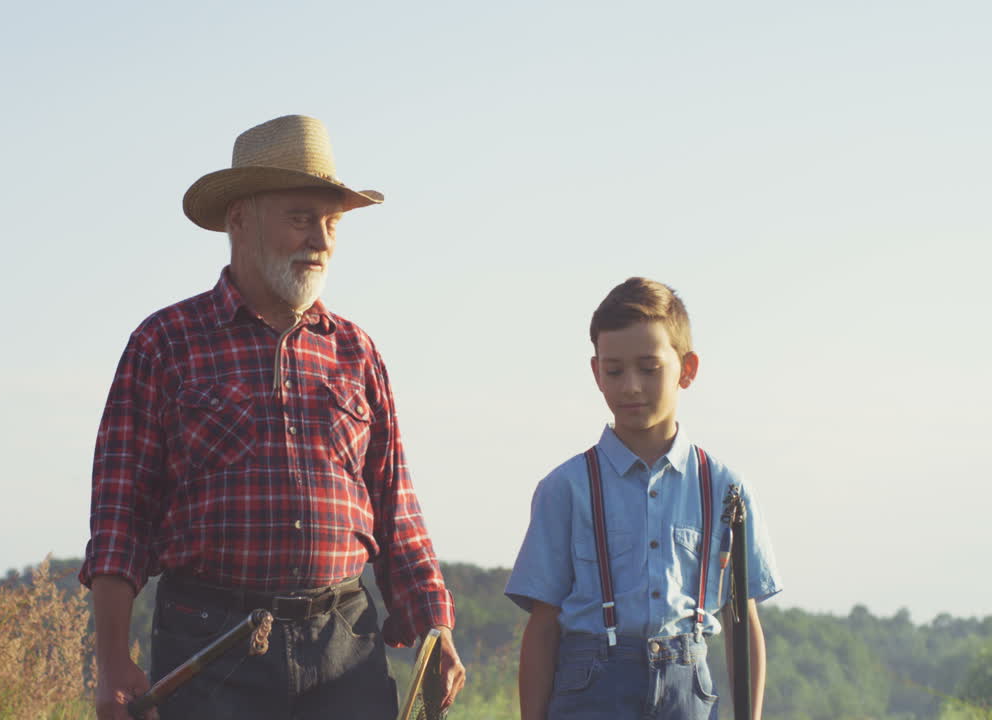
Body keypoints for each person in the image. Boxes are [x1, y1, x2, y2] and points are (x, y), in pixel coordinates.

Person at [80, 114, 465, 720]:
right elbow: (119, 515)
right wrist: (111, 659)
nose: (321, 238)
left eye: (331, 222)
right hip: (207, 642)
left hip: (344, 641)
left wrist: (435, 629)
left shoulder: (356, 352)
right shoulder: (166, 343)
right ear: (240, 219)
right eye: (300, 217)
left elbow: (395, 504)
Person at [505, 277, 782, 720]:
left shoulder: (726, 488)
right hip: (589, 690)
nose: (631, 386)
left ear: (687, 370)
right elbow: (542, 627)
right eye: (615, 371)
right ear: (597, 373)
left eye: (649, 369)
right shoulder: (565, 488)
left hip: (688, 691)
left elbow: (741, 621)